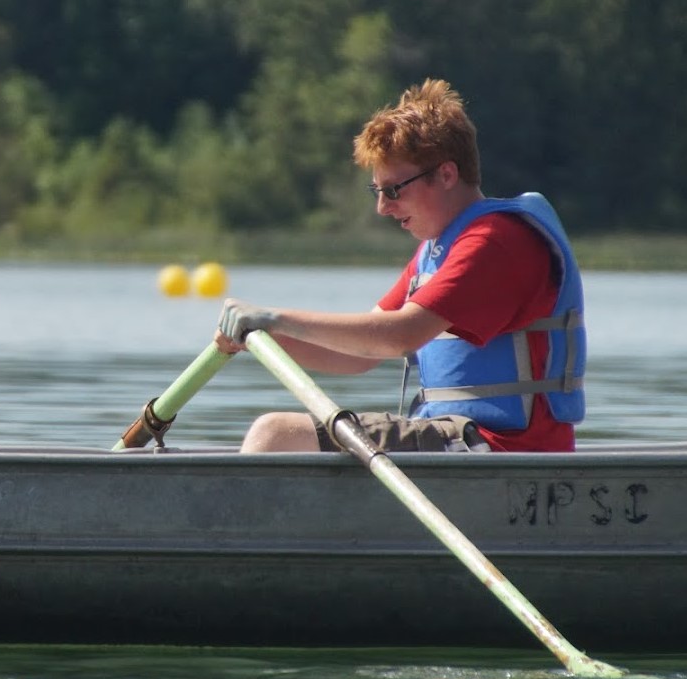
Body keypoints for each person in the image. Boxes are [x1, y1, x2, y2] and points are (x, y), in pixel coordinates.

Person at [214, 78, 585, 453]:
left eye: (393, 190)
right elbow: (360, 354)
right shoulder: (436, 251)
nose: (383, 208)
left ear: (446, 174)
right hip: (459, 440)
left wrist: (274, 318)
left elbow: (399, 336)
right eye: (377, 192)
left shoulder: (493, 241)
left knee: (276, 435)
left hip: (500, 448)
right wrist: (261, 338)